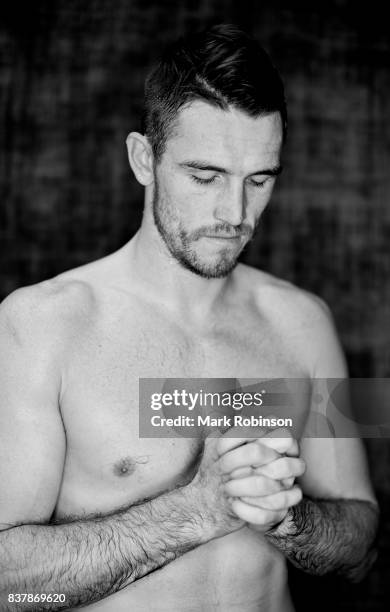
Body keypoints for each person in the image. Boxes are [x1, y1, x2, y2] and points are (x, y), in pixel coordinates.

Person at [0, 23, 378, 612]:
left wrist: (289, 520)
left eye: (260, 180)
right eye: (205, 177)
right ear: (143, 159)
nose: (235, 213)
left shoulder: (308, 321)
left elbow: (364, 547)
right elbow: (9, 589)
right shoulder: (36, 325)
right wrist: (198, 511)